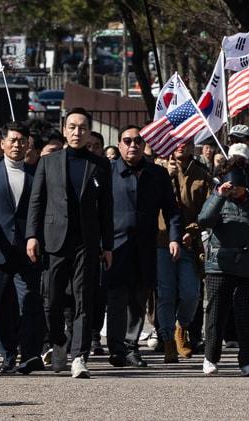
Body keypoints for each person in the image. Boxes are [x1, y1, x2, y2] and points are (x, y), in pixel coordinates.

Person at [26, 109, 113, 380]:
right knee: (51, 300)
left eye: (82, 128)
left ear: (89, 131)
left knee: (83, 298)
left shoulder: (100, 165)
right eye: (72, 127)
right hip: (54, 239)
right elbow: (37, 201)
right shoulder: (49, 162)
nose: (77, 132)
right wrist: (32, 235)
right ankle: (59, 341)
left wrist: (107, 245)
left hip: (86, 242)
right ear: (64, 130)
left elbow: (106, 208)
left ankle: (79, 356)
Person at [106, 124, 179, 368]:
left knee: (138, 299)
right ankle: (116, 348)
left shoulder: (157, 174)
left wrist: (174, 238)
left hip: (146, 247)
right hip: (115, 247)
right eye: (127, 141)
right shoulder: (107, 171)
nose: (133, 145)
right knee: (117, 298)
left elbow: (171, 210)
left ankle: (130, 347)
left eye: (138, 141)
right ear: (119, 144)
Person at [199, 159, 249, 377]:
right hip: (220, 264)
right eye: (231, 184)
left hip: (248, 264)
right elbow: (204, 219)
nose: (235, 189)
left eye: (238, 185)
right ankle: (210, 357)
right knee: (216, 313)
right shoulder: (217, 198)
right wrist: (220, 196)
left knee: (245, 314)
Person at [0, 122, 43, 374]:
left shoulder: (37, 174)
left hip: (28, 249)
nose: (17, 145)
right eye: (12, 140)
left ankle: (30, 354)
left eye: (22, 141)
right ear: (2, 144)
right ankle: (7, 354)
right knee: (0, 305)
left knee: (29, 301)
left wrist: (36, 237)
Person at [158, 139, 212, 364]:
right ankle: (168, 339)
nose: (181, 145)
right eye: (177, 141)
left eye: (186, 141)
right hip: (161, 240)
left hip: (189, 243)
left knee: (191, 293)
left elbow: (209, 210)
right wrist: (167, 176)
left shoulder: (202, 175)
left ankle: (182, 326)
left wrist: (193, 230)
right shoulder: (158, 170)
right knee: (166, 293)